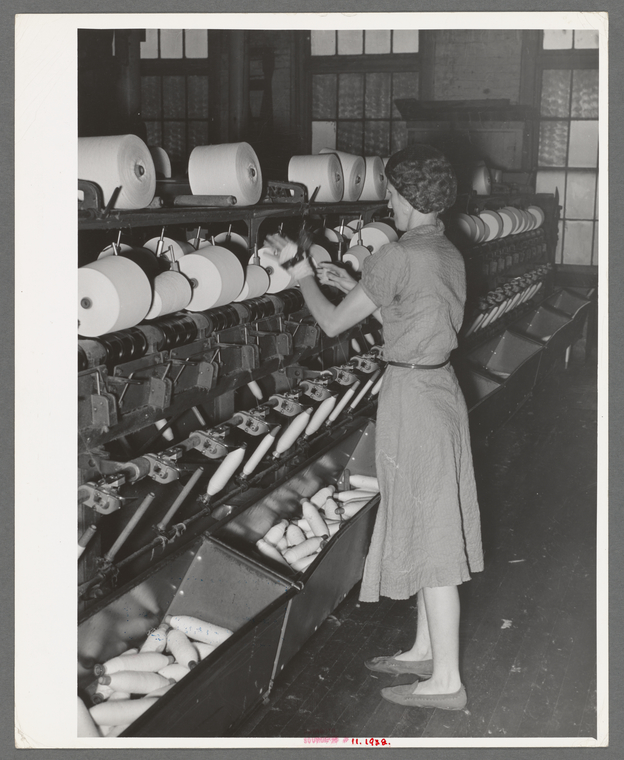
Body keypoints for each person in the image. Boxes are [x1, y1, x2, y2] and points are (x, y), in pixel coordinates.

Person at [265, 144, 483, 711]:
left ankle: (446, 683)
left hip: (411, 398)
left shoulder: (395, 256)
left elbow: (335, 323)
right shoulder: (444, 248)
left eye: (389, 188)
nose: (385, 196)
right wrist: (350, 280)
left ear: (406, 195)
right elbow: (406, 314)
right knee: (424, 513)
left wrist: (300, 274)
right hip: (440, 390)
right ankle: (422, 650)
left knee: (432, 531)